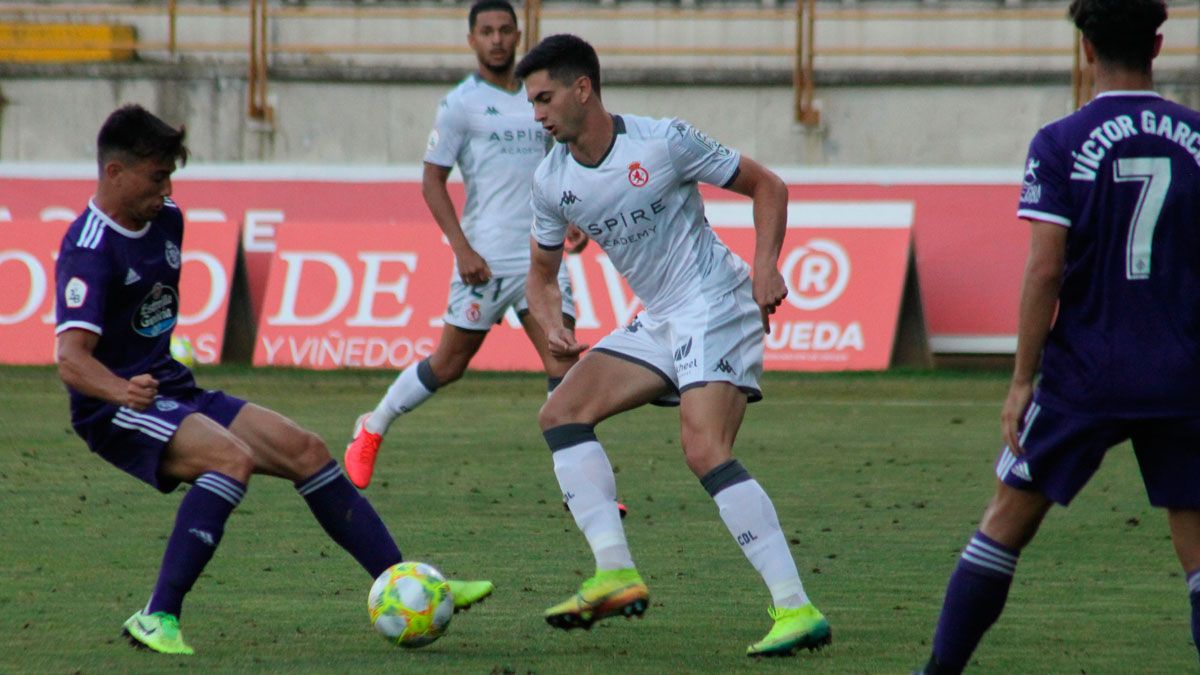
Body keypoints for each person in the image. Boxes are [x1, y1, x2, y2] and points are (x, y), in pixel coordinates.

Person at [54, 104, 493, 656]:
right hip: (113, 405)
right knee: (229, 459)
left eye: (170, 176)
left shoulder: (167, 219)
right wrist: (121, 390)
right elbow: (70, 359)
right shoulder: (88, 247)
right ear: (114, 173)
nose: (166, 190)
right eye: (156, 176)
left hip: (171, 389)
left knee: (306, 449)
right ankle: (157, 615)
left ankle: (408, 583)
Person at [514, 34, 831, 657]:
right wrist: (551, 322)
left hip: (716, 299)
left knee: (704, 447)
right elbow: (541, 274)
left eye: (545, 98)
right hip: (661, 318)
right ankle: (615, 572)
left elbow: (769, 187)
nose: (538, 114)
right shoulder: (551, 181)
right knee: (561, 412)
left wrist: (766, 265)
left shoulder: (663, 142)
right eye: (531, 103)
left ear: (584, 89)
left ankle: (798, 609)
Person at [917, 2, 1200, 672]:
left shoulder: (1061, 140)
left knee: (1004, 525)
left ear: (1086, 50)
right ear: (1158, 45)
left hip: (1084, 373)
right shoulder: (1196, 137)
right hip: (1184, 371)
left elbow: (1045, 267)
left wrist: (1022, 380)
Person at [344, 0, 588, 491]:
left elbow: (562, 158)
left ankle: (583, 487)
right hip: (485, 258)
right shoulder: (460, 104)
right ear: (472, 40)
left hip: (540, 256)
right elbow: (432, 180)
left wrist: (575, 215)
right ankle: (373, 427)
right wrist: (462, 250)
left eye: (504, 30)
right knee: (447, 365)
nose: (497, 39)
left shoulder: (541, 96)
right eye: (487, 32)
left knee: (563, 363)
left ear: (520, 35)